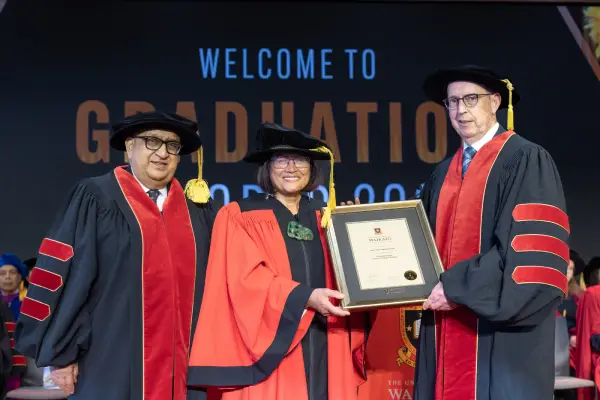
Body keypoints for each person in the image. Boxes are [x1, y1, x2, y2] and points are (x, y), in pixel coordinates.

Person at [15, 110, 218, 400]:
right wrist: (62, 352)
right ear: (129, 147)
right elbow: (65, 274)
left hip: (183, 367)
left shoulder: (196, 210)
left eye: (172, 145)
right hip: (109, 359)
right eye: (151, 142)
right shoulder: (95, 197)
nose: (162, 153)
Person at [415, 65, 569, 400]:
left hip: (501, 340)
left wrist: (455, 287)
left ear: (496, 101)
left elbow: (527, 256)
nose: (461, 110)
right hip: (444, 329)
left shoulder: (526, 159)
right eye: (452, 101)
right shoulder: (442, 174)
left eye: (471, 98)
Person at [187, 123, 370, 400]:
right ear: (267, 168)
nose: (291, 168)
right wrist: (304, 297)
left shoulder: (327, 216)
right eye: (281, 160)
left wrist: (353, 232)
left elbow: (351, 277)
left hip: (328, 340)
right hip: (271, 346)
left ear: (311, 168)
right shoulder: (240, 216)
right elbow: (244, 281)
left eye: (300, 160)